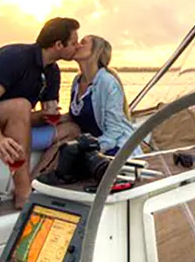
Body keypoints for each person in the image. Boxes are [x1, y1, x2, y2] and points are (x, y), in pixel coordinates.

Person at [0, 17, 81, 207]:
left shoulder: (52, 72)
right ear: (59, 44)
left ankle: (36, 182)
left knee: (71, 130)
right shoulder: (15, 57)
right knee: (20, 106)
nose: (77, 46)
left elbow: (44, 116)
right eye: (74, 43)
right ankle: (23, 194)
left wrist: (58, 116)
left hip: (12, 128)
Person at [36, 35, 136, 183]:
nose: (76, 45)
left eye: (83, 43)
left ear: (96, 51)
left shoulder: (107, 82)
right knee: (63, 144)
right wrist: (50, 117)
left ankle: (37, 184)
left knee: (68, 153)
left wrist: (87, 149)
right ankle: (34, 183)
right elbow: (77, 114)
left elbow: (114, 132)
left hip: (112, 151)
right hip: (91, 148)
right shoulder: (77, 81)